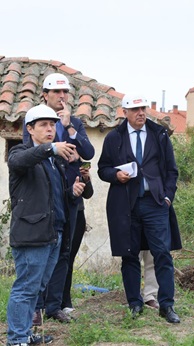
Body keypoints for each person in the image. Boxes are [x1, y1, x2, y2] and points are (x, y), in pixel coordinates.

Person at [98, 94, 182, 323]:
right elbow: (102, 169)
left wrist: (167, 198)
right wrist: (115, 175)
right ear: (124, 112)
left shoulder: (159, 134)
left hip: (155, 203)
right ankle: (134, 303)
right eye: (135, 109)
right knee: (129, 254)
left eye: (143, 108)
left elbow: (172, 171)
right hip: (126, 204)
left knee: (162, 253)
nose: (141, 113)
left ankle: (167, 305)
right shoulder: (114, 138)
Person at [7, 105, 84, 346]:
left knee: (37, 287)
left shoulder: (53, 162)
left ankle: (26, 334)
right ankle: (16, 339)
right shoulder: (21, 152)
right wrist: (51, 148)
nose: (50, 129)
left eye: (53, 125)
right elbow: (19, 161)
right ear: (30, 129)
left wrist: (71, 193)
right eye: (44, 125)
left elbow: (53, 197)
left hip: (53, 233)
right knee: (26, 287)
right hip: (32, 234)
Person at [25, 73, 95, 324]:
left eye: (66, 92)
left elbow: (87, 152)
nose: (63, 97)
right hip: (47, 198)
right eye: (57, 92)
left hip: (73, 197)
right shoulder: (34, 120)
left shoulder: (73, 121)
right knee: (43, 253)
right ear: (45, 94)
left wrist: (68, 126)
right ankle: (37, 306)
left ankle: (56, 305)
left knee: (65, 253)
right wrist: (63, 153)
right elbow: (31, 155)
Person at [62, 163, 94, 314]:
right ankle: (48, 300)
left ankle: (65, 300)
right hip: (60, 212)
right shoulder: (55, 160)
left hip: (78, 213)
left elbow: (88, 193)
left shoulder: (78, 163)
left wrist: (86, 178)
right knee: (56, 259)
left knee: (69, 258)